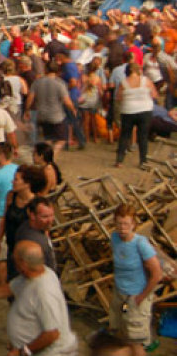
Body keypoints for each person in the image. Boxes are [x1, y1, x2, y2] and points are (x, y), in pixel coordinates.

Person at [0, 241, 77, 355]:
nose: (13, 260)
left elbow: (52, 334)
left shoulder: (44, 293)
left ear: (23, 264)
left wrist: (24, 350)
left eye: (15, 258)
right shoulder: (35, 274)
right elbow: (10, 288)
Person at [109, 203, 163, 355]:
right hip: (122, 297)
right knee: (124, 329)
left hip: (136, 297)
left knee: (136, 340)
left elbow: (157, 274)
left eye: (126, 223)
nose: (122, 227)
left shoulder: (141, 244)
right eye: (119, 223)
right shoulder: (114, 238)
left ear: (133, 224)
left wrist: (141, 297)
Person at [114, 62, 156, 168]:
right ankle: (143, 161)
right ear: (138, 70)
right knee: (143, 136)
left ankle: (119, 160)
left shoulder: (123, 83)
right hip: (145, 110)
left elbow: (118, 97)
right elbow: (154, 94)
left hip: (128, 111)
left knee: (124, 136)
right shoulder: (146, 81)